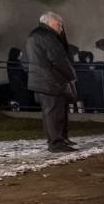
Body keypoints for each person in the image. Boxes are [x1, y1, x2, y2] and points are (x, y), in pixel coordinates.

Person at [25, 12, 77, 152]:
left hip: (47, 79)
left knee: (57, 111)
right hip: (50, 80)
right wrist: (72, 75)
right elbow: (58, 58)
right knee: (53, 112)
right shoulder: (46, 36)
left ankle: (60, 139)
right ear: (49, 23)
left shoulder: (38, 35)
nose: (61, 29)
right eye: (59, 25)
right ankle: (56, 143)